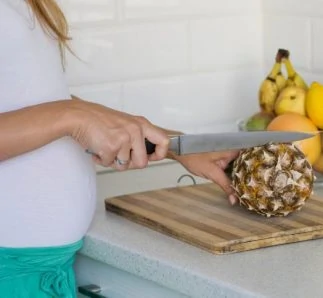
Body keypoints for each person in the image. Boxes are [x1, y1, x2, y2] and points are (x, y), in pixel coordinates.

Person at [0, 0, 238, 296]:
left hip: (43, 271)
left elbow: (33, 101)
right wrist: (74, 117)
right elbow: (61, 115)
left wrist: (172, 143)